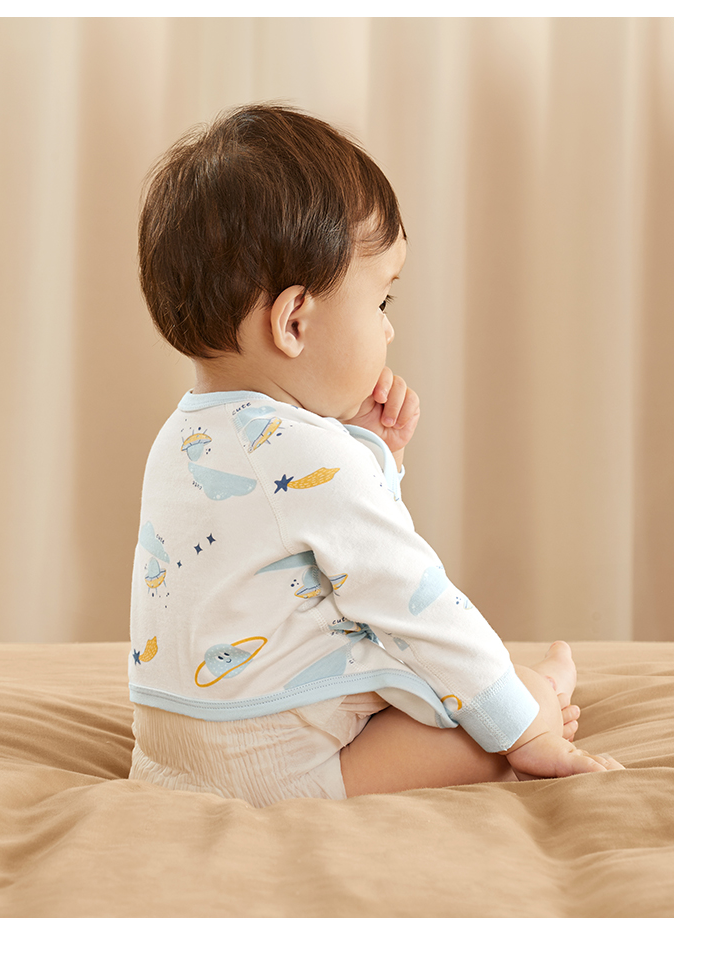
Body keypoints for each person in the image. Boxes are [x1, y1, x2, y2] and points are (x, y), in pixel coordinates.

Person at [128, 103, 623, 806]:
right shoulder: (304, 453)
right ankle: (538, 693)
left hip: (170, 758)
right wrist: (524, 728)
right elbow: (413, 601)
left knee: (443, 686)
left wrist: (369, 450)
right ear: (294, 322)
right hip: (281, 771)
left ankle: (520, 693)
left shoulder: (181, 439)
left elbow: (309, 563)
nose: (388, 332)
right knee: (485, 729)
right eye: (382, 302)